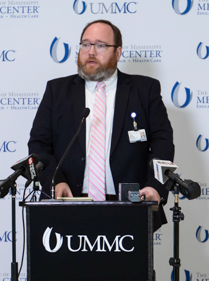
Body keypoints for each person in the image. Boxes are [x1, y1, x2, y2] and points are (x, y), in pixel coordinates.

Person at [28, 19, 174, 228]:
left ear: (118, 52)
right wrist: (54, 181)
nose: (91, 52)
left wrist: (155, 186)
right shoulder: (57, 91)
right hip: (69, 205)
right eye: (85, 44)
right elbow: (39, 146)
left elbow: (163, 143)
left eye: (101, 45)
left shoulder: (145, 90)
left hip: (130, 207)